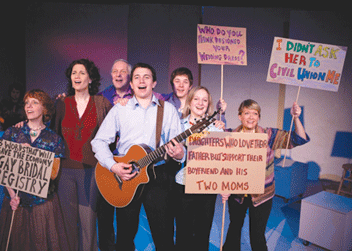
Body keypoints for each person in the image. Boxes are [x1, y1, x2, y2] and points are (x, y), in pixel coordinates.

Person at [91, 62, 185, 251]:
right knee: (124, 238)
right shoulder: (120, 109)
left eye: (147, 77)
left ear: (154, 83)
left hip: (158, 177)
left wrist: (180, 154)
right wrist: (113, 166)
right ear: (132, 85)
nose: (142, 81)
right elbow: (98, 142)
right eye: (137, 77)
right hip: (126, 178)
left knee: (164, 236)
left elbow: (178, 147)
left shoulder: (168, 110)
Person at [221, 99, 310, 251]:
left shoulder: (269, 135)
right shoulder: (230, 136)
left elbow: (299, 139)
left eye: (255, 113)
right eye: (246, 113)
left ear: (259, 116)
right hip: (236, 194)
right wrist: (219, 114)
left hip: (263, 195)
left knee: (257, 236)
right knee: (234, 229)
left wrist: (296, 117)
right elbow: (212, 155)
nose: (250, 117)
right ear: (239, 116)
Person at [52, 59, 112, 251]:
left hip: (92, 172)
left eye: (82, 72)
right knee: (67, 223)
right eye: (73, 73)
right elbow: (52, 134)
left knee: (88, 224)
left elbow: (113, 135)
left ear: (91, 77)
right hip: (65, 173)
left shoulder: (102, 103)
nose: (77, 76)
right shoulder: (61, 103)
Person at [0, 89, 69, 251]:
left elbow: (53, 174)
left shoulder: (54, 138)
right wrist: (12, 195)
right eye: (27, 103)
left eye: (34, 102)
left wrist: (31, 154)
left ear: (45, 109)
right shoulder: (13, 132)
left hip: (42, 204)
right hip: (16, 202)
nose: (29, 106)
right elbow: (3, 169)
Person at [174, 86, 223, 251]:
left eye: (204, 100)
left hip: (207, 186)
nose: (200, 103)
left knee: (203, 232)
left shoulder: (216, 128)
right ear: (189, 101)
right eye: (196, 99)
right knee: (183, 231)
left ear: (208, 104)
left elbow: (222, 160)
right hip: (183, 183)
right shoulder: (177, 125)